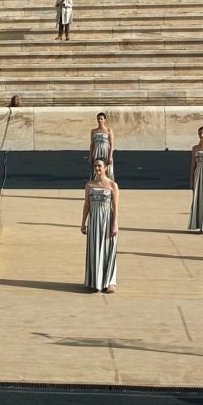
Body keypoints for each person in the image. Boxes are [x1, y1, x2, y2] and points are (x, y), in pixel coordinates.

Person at [82, 159, 118, 293]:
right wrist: (83, 223)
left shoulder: (112, 185)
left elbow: (115, 206)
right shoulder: (89, 185)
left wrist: (115, 224)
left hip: (107, 220)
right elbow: (86, 205)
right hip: (94, 221)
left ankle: (110, 282)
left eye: (100, 166)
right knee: (95, 249)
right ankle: (95, 281)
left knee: (108, 250)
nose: (97, 168)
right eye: (95, 166)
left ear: (106, 168)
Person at [89, 113, 115, 180]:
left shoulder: (109, 130)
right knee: (96, 167)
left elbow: (111, 144)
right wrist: (90, 155)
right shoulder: (93, 131)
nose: (99, 120)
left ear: (104, 120)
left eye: (101, 119)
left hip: (105, 151)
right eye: (98, 119)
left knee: (106, 168)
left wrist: (110, 156)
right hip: (96, 152)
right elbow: (92, 144)